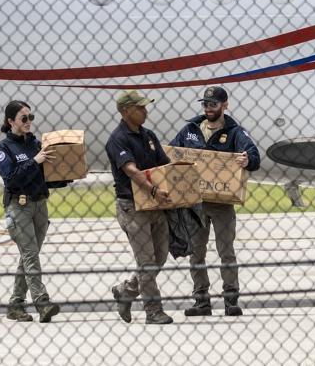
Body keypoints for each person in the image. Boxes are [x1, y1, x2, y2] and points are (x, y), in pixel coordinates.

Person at [169, 86, 261, 317]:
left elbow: (254, 157)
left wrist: (246, 159)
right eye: (206, 104)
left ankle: (231, 300)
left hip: (222, 203)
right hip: (195, 202)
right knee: (196, 253)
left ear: (224, 105)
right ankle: (202, 302)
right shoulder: (190, 130)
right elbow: (169, 153)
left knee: (226, 252)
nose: (209, 108)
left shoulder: (235, 132)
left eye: (214, 104)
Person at [105, 89, 175, 325]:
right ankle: (153, 310)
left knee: (160, 257)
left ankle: (126, 291)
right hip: (132, 206)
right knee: (146, 261)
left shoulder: (149, 136)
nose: (146, 111)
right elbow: (131, 170)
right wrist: (154, 189)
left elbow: (164, 166)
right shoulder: (118, 139)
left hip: (155, 205)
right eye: (140, 108)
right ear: (126, 111)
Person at [0, 100, 62, 323]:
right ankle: (42, 302)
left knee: (29, 256)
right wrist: (35, 161)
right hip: (19, 206)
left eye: (30, 117)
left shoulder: (35, 144)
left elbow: (45, 176)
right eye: (23, 118)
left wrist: (66, 175)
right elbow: (11, 179)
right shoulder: (4, 149)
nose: (28, 122)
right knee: (30, 254)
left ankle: (15, 304)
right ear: (10, 121)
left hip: (40, 204)